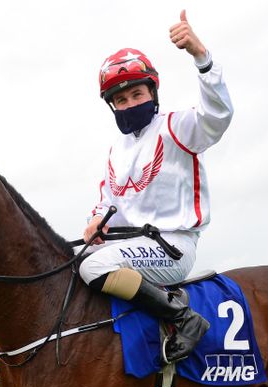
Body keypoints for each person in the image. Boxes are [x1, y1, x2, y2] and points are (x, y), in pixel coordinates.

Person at [80, 10, 233, 364]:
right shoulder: (116, 151)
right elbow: (108, 202)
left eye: (137, 94)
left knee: (91, 268)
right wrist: (96, 222)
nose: (130, 104)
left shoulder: (179, 127)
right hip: (131, 245)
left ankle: (184, 318)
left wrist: (202, 58)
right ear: (112, 106)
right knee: (72, 262)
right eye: (121, 100)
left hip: (173, 247)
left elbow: (218, 117)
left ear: (153, 91)